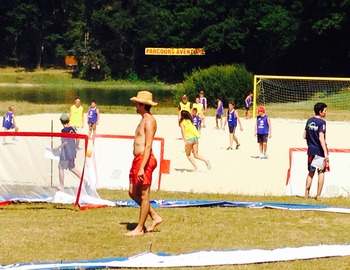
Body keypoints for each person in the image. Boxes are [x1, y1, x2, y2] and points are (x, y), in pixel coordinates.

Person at [126, 90, 163, 236]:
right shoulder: (143, 119)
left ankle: (139, 228)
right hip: (138, 159)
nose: (135, 105)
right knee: (132, 192)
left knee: (144, 194)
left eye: (136, 103)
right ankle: (154, 216)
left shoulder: (149, 120)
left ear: (142, 105)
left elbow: (148, 145)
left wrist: (142, 167)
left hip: (144, 159)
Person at [304, 102, 329, 200]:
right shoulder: (322, 123)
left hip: (310, 150)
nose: (326, 113)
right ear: (320, 112)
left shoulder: (309, 120)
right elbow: (321, 138)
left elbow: (304, 135)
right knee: (321, 172)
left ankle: (306, 193)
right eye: (325, 111)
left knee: (310, 172)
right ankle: (318, 195)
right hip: (319, 151)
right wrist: (326, 152)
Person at [53, 113, 81, 191]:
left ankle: (61, 185)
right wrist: (76, 146)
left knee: (61, 167)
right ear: (68, 121)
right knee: (72, 167)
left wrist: (57, 148)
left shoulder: (64, 130)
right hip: (72, 151)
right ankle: (84, 180)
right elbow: (78, 138)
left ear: (62, 122)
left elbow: (64, 142)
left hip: (66, 152)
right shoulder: (72, 129)